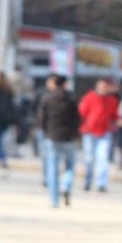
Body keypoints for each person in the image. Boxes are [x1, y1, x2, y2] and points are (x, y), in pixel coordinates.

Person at [37, 75, 80, 207]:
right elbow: (77, 119)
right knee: (70, 166)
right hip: (68, 138)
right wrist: (75, 134)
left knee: (53, 168)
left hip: (52, 136)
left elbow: (42, 119)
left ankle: (54, 200)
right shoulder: (72, 98)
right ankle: (65, 185)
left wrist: (45, 132)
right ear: (65, 84)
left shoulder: (47, 98)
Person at [77, 78, 119, 192]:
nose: (103, 89)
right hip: (89, 132)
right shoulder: (89, 98)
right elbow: (81, 113)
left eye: (105, 87)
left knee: (103, 158)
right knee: (89, 158)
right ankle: (87, 181)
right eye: (101, 86)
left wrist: (117, 123)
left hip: (104, 132)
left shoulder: (111, 100)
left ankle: (101, 183)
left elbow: (115, 116)